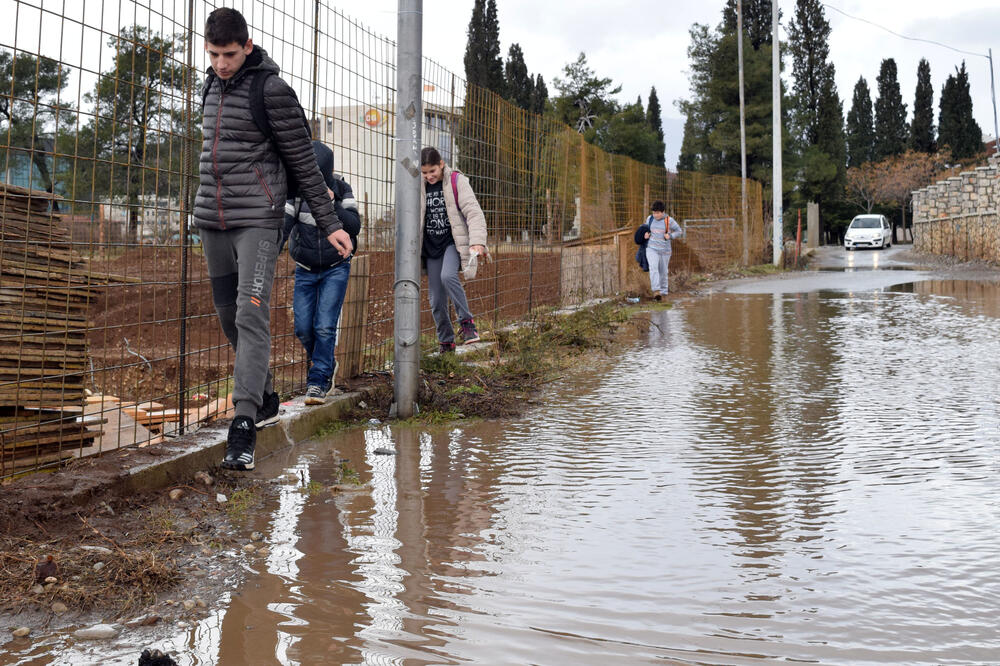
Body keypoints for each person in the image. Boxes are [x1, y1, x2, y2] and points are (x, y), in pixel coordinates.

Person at [195, 8, 350, 471]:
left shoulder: (272, 90)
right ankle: (262, 397)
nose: (221, 63)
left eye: (228, 54)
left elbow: (303, 161)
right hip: (212, 221)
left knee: (250, 314)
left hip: (259, 222)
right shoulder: (209, 87)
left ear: (247, 45)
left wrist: (330, 222)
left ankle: (243, 427)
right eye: (213, 54)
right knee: (228, 318)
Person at [283, 141, 361, 405]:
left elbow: (354, 225)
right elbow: (283, 224)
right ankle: (326, 362)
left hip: (335, 267)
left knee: (325, 326)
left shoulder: (342, 188)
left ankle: (318, 381)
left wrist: (332, 203)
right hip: (305, 269)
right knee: (304, 328)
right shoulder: (295, 193)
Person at [419, 147, 488, 352]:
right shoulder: (418, 187)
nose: (429, 176)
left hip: (452, 243)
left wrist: (477, 241)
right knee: (436, 299)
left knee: (448, 276)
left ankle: (467, 324)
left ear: (441, 164)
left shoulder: (457, 181)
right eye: (424, 173)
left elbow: (473, 212)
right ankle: (446, 342)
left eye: (433, 171)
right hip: (431, 246)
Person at [643, 201, 683, 301]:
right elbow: (645, 229)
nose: (655, 215)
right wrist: (645, 234)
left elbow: (679, 231)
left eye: (657, 213)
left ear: (663, 212)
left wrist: (670, 236)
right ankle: (656, 291)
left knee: (663, 272)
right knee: (653, 268)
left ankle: (664, 293)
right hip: (651, 249)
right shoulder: (650, 219)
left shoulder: (669, 220)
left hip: (665, 251)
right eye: (654, 212)